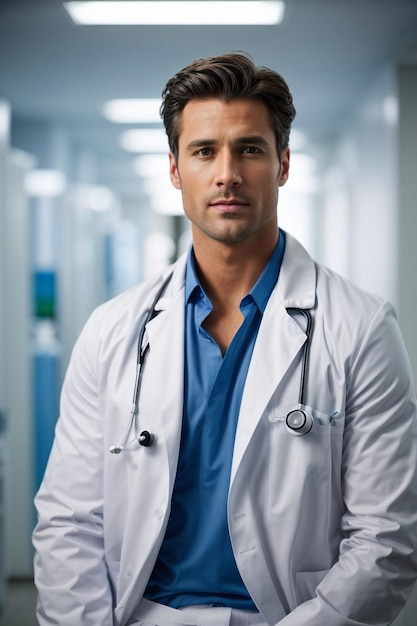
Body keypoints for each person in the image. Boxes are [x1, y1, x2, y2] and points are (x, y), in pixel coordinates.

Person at [33, 52, 417, 626]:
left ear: (283, 164)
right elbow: (69, 521)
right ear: (174, 168)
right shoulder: (113, 330)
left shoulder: (360, 328)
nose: (227, 174)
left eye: (251, 149)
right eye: (204, 150)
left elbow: (387, 537)